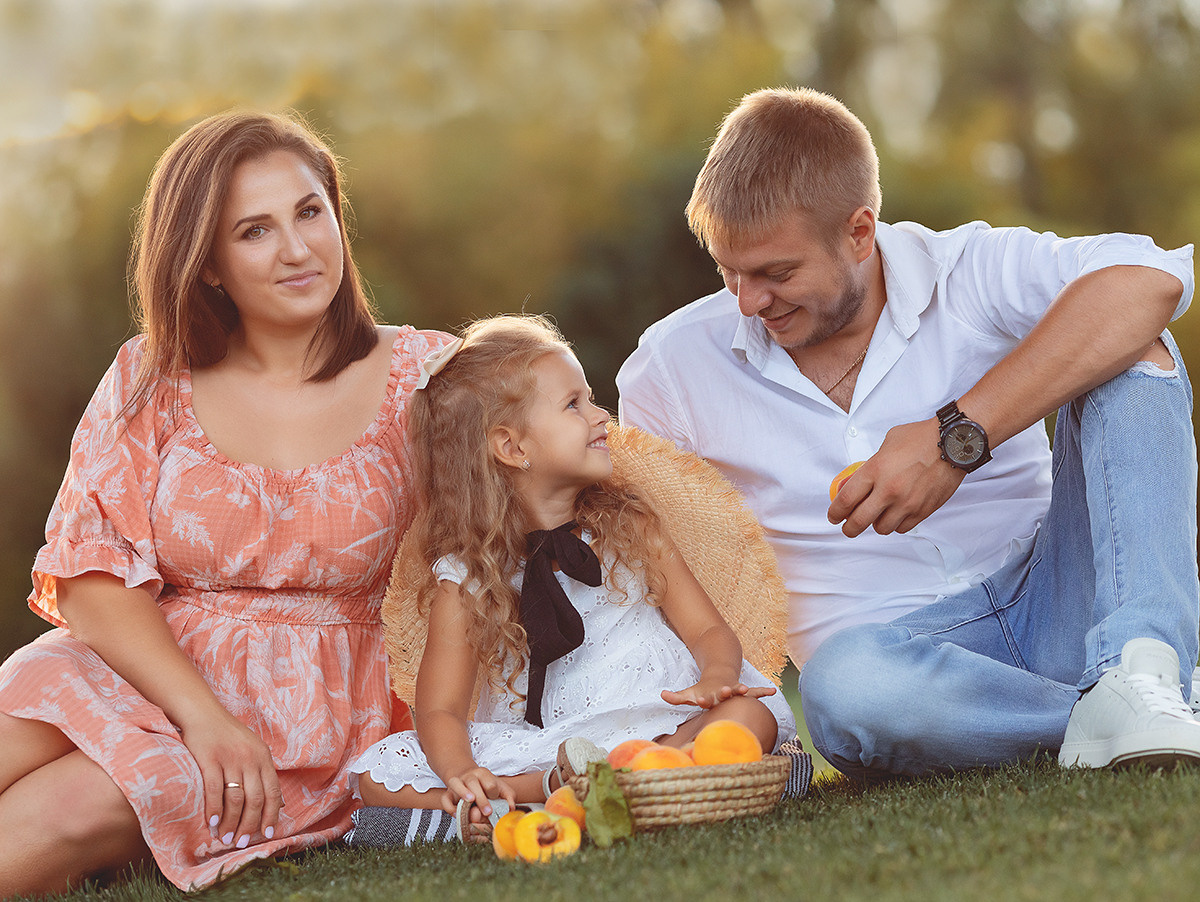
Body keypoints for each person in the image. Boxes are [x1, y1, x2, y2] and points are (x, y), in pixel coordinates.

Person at [617, 85, 1200, 778]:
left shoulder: (965, 271)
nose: (747, 301)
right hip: (893, 666)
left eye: (777, 273)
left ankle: (1142, 669)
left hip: (1059, 595)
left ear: (860, 232)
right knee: (845, 691)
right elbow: (657, 562)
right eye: (728, 272)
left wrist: (957, 437)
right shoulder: (669, 367)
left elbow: (1148, 280)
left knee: (1133, 347)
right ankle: (1124, 712)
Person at [0, 111, 451, 895]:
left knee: (58, 814)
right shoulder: (153, 376)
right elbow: (90, 570)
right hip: (149, 666)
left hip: (312, 713)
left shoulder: (432, 377)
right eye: (254, 231)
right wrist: (203, 715)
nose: (297, 249)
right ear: (207, 265)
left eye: (310, 213)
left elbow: (560, 482)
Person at [347, 314, 796, 841]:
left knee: (749, 714)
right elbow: (440, 709)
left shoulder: (630, 527)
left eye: (590, 398)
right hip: (545, 746)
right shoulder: (468, 578)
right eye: (574, 405)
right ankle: (581, 787)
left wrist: (717, 677)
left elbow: (706, 630)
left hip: (654, 717)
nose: (601, 415)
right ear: (512, 448)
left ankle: (582, 791)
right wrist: (461, 773)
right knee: (377, 776)